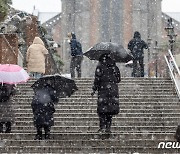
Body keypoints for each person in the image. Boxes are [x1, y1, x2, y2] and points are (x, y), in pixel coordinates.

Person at [91, 54, 121, 134]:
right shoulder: (115, 67)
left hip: (103, 90)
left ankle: (102, 127)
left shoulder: (100, 66)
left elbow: (97, 79)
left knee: (102, 110)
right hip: (113, 90)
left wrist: (94, 89)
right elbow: (118, 79)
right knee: (110, 110)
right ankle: (108, 128)